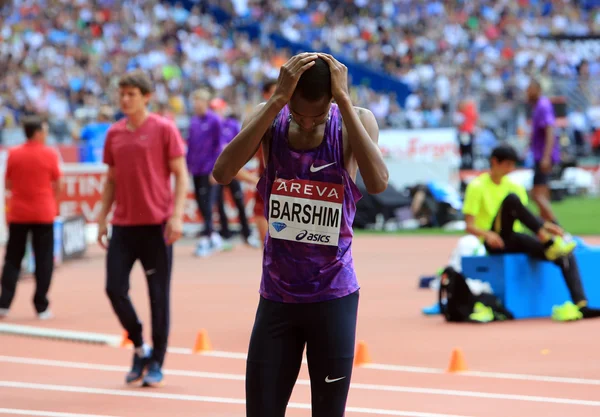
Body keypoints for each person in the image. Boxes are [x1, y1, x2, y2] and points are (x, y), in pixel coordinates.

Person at [213, 52, 389, 416]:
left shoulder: (356, 121)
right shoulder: (269, 117)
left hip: (333, 295)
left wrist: (343, 102)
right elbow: (223, 172)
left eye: (318, 116)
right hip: (278, 295)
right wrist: (277, 101)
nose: (308, 125)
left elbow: (377, 182)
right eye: (298, 115)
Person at [96, 69, 188, 387]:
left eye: (131, 94)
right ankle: (140, 345)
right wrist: (101, 217)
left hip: (157, 226)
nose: (124, 99)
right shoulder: (114, 133)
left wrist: (176, 216)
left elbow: (181, 175)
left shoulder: (164, 128)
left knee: (158, 296)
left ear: (146, 97)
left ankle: (157, 362)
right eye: (121, 94)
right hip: (123, 226)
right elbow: (111, 180)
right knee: (114, 288)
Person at [462, 144, 600, 321]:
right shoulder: (477, 186)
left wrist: (546, 226)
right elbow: (469, 225)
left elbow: (525, 216)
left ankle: (581, 304)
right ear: (494, 162)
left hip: (515, 238)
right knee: (511, 200)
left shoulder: (514, 185)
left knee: (564, 253)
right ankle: (547, 241)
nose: (511, 169)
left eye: (513, 165)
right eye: (507, 165)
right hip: (494, 239)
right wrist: (487, 235)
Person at [0, 115, 62, 320]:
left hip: (18, 214)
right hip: (43, 213)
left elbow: (8, 184)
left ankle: (4, 304)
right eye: (44, 131)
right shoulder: (50, 154)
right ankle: (41, 306)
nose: (45, 135)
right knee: (44, 261)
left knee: (12, 260)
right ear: (37, 133)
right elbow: (58, 184)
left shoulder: (13, 154)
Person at [210, 98, 259, 247]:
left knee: (238, 201)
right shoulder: (212, 126)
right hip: (217, 169)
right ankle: (225, 233)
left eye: (217, 108)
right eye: (213, 109)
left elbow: (241, 144)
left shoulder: (231, 125)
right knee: (218, 203)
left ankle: (247, 233)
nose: (215, 112)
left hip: (233, 169)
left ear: (224, 109)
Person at [187, 88, 226, 257]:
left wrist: (215, 171)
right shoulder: (194, 122)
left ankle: (209, 236)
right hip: (195, 170)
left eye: (199, 101)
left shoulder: (215, 120)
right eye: (194, 101)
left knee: (209, 204)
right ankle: (212, 234)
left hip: (208, 169)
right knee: (201, 203)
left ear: (205, 102)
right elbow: (190, 146)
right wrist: (188, 166)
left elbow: (219, 146)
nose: (196, 104)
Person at [526, 79, 560, 224]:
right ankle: (545, 229)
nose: (526, 93)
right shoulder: (538, 107)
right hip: (540, 155)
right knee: (543, 195)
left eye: (529, 89)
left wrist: (546, 157)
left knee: (536, 195)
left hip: (543, 156)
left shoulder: (543, 106)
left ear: (537, 89)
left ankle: (556, 225)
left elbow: (550, 131)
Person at [252, 80, 277, 247]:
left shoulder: (299, 121)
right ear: (266, 95)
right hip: (267, 193)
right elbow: (235, 167)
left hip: (294, 194)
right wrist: (255, 181)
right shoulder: (260, 124)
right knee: (269, 250)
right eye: (276, 92)